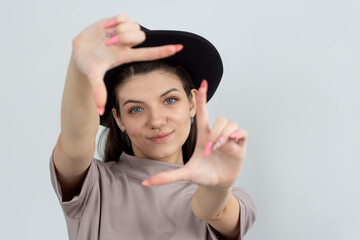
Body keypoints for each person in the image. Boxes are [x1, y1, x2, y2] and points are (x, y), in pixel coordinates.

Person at [50, 14, 256, 240]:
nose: (156, 121)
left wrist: (215, 187)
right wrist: (80, 68)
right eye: (136, 109)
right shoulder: (93, 186)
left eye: (169, 100)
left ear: (192, 102)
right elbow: (75, 144)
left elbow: (211, 209)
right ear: (118, 120)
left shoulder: (233, 199)